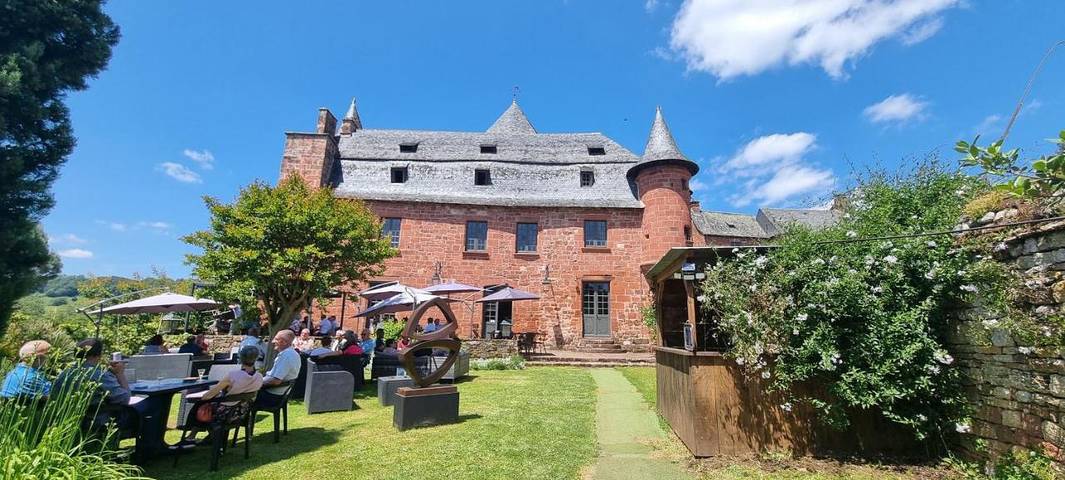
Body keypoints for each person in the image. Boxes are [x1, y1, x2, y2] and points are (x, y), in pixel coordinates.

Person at [54, 338, 144, 430]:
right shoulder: (99, 375)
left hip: (68, 423)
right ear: (98, 355)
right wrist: (119, 374)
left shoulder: (64, 374)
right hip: (98, 423)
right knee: (147, 407)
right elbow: (125, 399)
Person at [181, 345, 263, 441]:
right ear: (256, 358)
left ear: (240, 358)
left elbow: (208, 396)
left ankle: (190, 436)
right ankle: (207, 437)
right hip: (242, 413)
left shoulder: (233, 376)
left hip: (225, 414)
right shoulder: (259, 377)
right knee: (205, 405)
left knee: (200, 405)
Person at [254, 330, 301, 410]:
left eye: (276, 339)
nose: (273, 341)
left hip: (272, 396)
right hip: (278, 394)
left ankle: (238, 417)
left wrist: (257, 383)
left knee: (242, 394)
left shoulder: (286, 356)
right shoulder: (292, 353)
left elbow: (276, 381)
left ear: (284, 342)